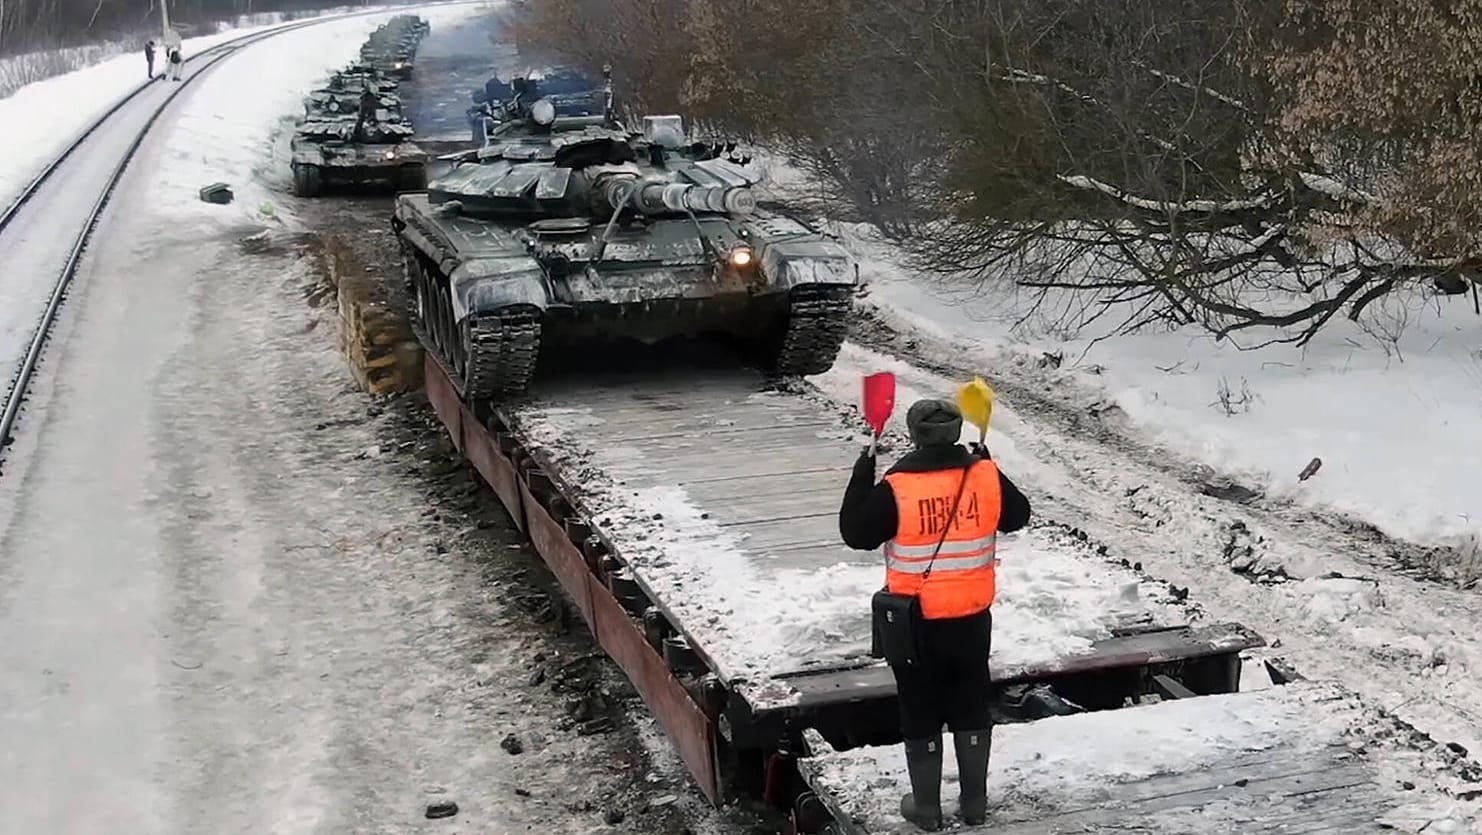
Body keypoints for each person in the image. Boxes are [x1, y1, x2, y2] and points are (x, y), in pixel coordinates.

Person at [839, 398, 1031, 831]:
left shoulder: (898, 486)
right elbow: (1018, 516)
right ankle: (975, 804)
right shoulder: (982, 475)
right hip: (971, 617)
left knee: (920, 707)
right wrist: (988, 468)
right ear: (957, 431)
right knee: (970, 703)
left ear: (914, 436)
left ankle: (926, 808)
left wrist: (861, 473)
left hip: (915, 623)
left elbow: (855, 533)